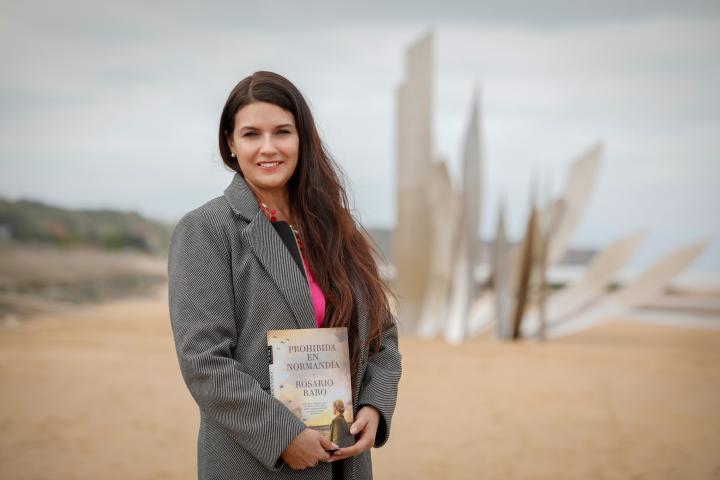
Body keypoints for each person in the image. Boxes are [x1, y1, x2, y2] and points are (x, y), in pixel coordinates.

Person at [168, 71, 402, 480]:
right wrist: (283, 436)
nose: (268, 147)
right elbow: (204, 362)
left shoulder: (338, 228)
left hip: (345, 460)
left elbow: (383, 335)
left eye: (282, 132)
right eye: (251, 134)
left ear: (302, 139)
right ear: (230, 143)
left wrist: (374, 406)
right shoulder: (206, 229)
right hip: (256, 464)